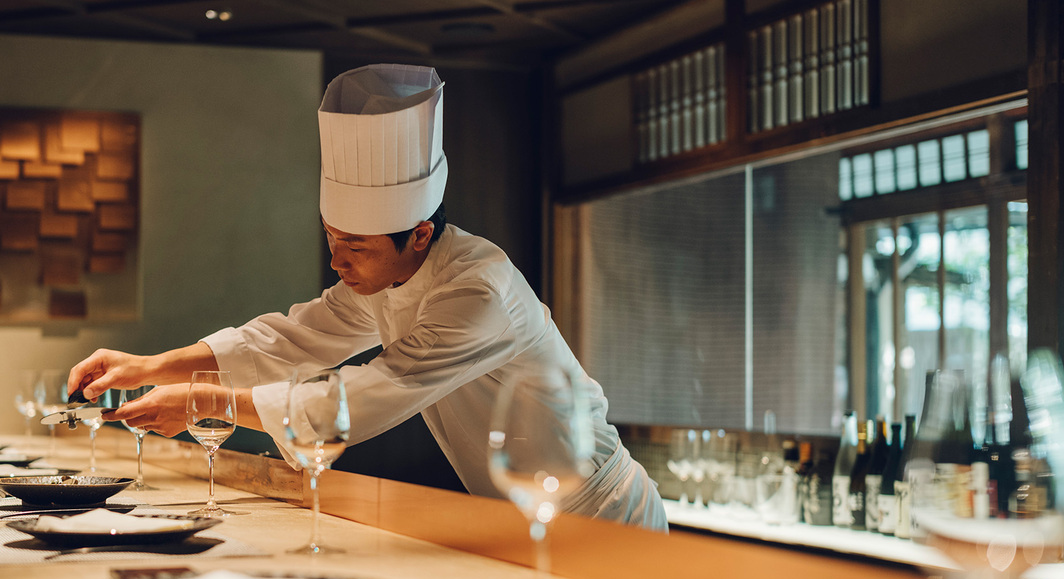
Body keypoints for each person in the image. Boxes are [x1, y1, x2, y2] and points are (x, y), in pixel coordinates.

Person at [69, 64, 667, 531]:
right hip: (515, 513)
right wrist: (150, 366)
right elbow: (289, 336)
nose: (337, 261)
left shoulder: (478, 291)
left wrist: (207, 402)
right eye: (331, 239)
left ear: (420, 236)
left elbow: (364, 396)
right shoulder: (383, 278)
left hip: (601, 509)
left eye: (355, 245)